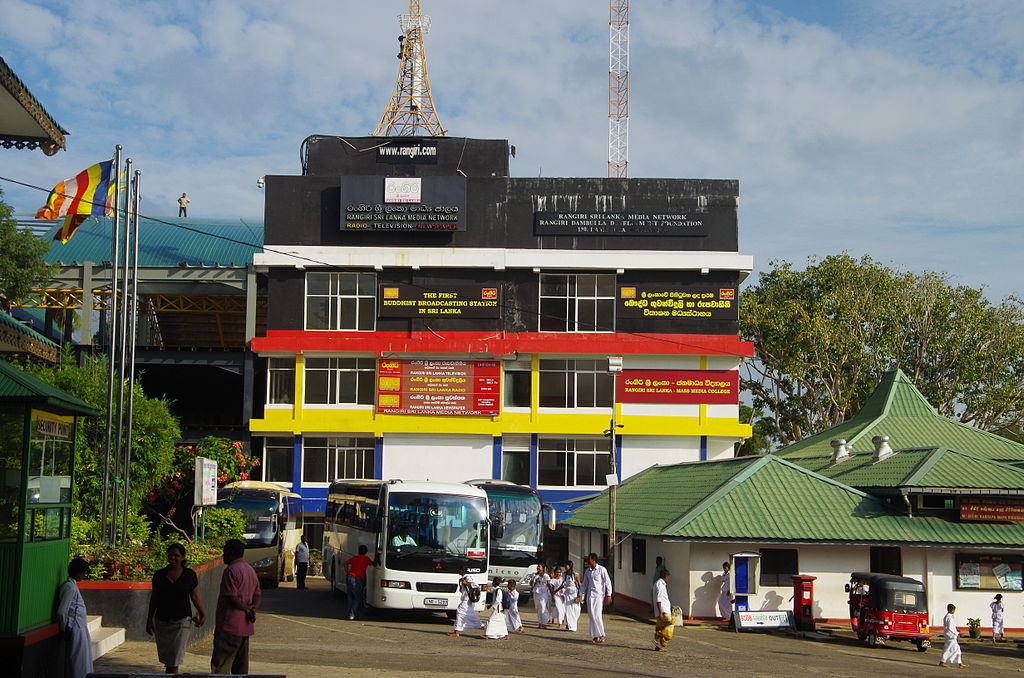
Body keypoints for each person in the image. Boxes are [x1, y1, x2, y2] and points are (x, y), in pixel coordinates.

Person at [146, 543, 206, 674]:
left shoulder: (189, 575)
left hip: (182, 621)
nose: (173, 558)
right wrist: (149, 620)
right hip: (162, 621)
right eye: (171, 555)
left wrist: (202, 613)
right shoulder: (159, 576)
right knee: (167, 659)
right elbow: (154, 598)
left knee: (175, 658)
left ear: (183, 557)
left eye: (176, 555)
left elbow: (195, 597)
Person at [211, 539, 261, 675]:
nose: (223, 555)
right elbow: (257, 594)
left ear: (232, 553)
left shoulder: (230, 571)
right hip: (245, 628)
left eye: (225, 552)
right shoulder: (250, 570)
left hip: (229, 625)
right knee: (240, 667)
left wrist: (246, 608)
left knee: (221, 666)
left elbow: (231, 597)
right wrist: (252, 608)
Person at [56, 557, 93, 678]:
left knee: (81, 659)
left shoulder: (71, 586)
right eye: (84, 573)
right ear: (79, 573)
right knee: (78, 661)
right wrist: (63, 629)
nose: (84, 575)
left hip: (79, 626)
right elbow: (62, 612)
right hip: (76, 627)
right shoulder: (70, 588)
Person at [579, 553, 613, 644]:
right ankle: (594, 635)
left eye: (589, 559)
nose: (587, 561)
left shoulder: (602, 570)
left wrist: (608, 594)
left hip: (599, 596)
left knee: (597, 615)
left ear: (593, 560)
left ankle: (601, 634)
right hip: (590, 596)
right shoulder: (588, 571)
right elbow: (584, 584)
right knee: (591, 615)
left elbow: (607, 582)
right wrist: (580, 593)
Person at [447, 568, 483, 636]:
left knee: (460, 612)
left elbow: (475, 585)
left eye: (459, 570)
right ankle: (480, 624)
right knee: (469, 613)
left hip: (467, 599)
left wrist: (466, 583)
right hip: (465, 599)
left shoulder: (467, 577)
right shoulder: (463, 578)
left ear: (462, 571)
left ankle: (456, 631)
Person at [344, 544, 375, 620]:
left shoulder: (355, 558)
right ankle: (352, 614)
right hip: (357, 578)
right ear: (366, 552)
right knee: (357, 598)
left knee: (350, 597)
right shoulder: (366, 558)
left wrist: (347, 572)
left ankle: (349, 613)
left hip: (350, 577)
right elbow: (373, 563)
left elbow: (345, 563)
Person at [939, 603, 968, 668]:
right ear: (952, 610)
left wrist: (956, 631)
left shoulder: (947, 617)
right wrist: (957, 633)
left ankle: (960, 663)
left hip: (950, 635)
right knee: (948, 649)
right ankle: (942, 662)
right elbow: (950, 628)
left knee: (956, 649)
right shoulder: (949, 617)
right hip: (950, 636)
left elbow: (951, 627)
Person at [652, 568, 673, 651]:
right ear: (666, 576)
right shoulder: (660, 584)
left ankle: (658, 645)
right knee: (670, 623)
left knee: (660, 627)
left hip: (662, 610)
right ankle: (659, 640)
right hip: (663, 610)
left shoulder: (658, 583)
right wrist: (661, 612)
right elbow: (659, 598)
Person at [531, 563, 552, 628]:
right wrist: (534, 581)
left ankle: (544, 622)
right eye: (537, 567)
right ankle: (540, 623)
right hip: (536, 592)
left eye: (539, 566)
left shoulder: (546, 576)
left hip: (543, 592)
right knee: (538, 608)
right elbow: (531, 584)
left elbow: (548, 584)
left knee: (543, 607)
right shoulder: (534, 575)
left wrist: (552, 592)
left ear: (543, 568)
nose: (538, 568)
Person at [562, 562, 581, 633]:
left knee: (576, 609)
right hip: (568, 593)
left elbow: (579, 585)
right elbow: (563, 583)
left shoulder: (575, 575)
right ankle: (571, 626)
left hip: (574, 593)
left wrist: (580, 594)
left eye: (567, 566)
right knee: (569, 609)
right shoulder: (564, 575)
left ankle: (573, 621)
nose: (566, 567)